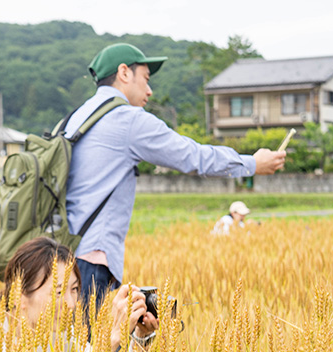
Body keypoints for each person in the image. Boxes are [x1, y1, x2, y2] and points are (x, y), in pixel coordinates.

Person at [65, 43, 287, 310]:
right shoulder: (127, 119)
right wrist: (252, 163)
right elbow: (192, 156)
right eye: (145, 78)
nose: (149, 90)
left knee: (74, 337)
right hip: (93, 258)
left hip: (64, 256)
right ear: (124, 73)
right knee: (95, 336)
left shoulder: (76, 118)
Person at [2, 236, 155, 352]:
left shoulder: (63, 335)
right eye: (58, 292)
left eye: (74, 289)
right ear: (18, 295)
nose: (71, 304)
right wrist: (112, 339)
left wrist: (140, 340)